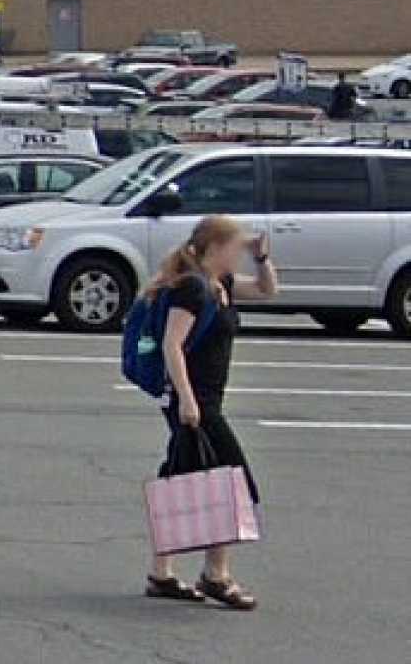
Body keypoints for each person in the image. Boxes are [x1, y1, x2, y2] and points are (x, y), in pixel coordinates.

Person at [146, 215, 276, 610]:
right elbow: (172, 345)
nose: (239, 253)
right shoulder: (192, 289)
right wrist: (187, 399)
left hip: (205, 402)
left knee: (181, 476)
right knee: (231, 480)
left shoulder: (222, 286)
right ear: (216, 248)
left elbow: (268, 291)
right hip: (195, 404)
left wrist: (261, 259)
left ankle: (161, 573)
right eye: (236, 247)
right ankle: (215, 575)